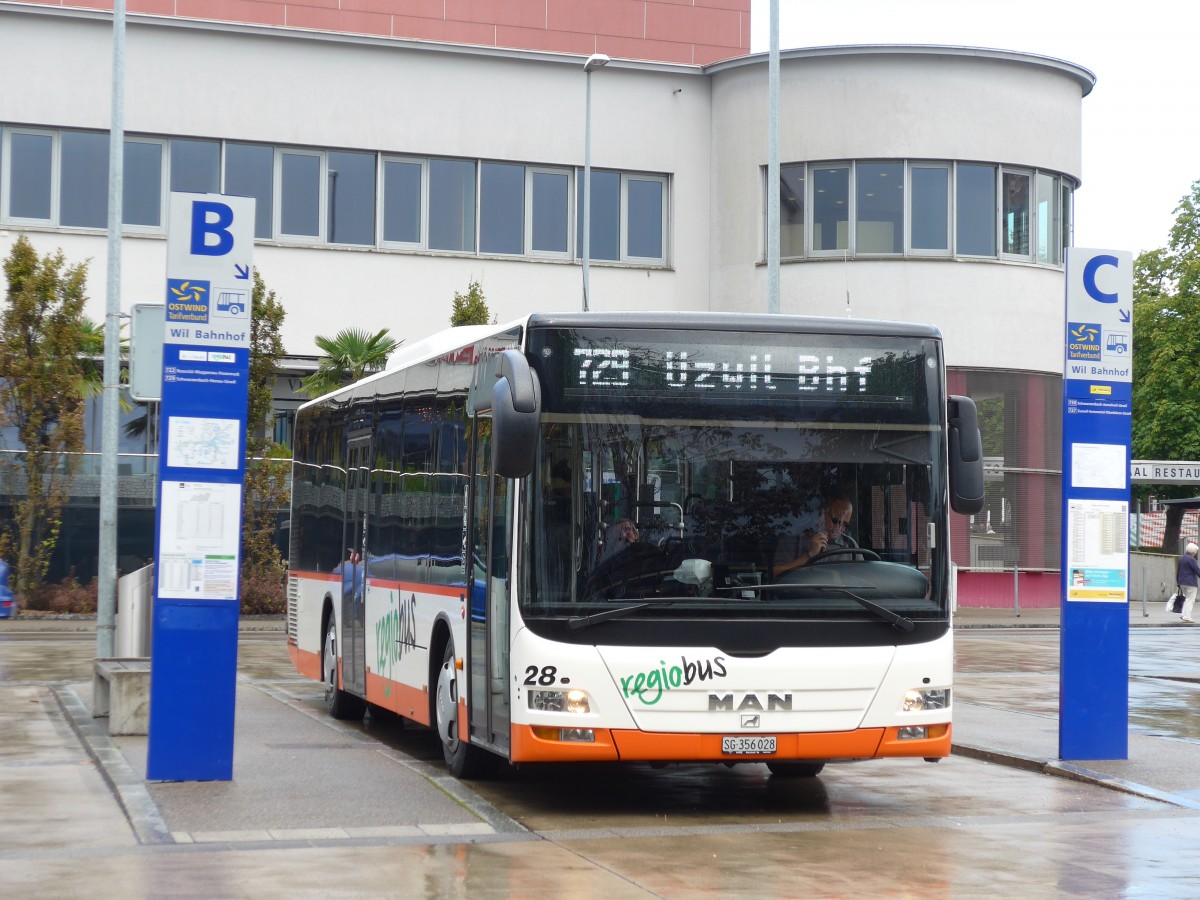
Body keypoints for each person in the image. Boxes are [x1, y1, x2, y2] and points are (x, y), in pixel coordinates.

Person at [776, 493, 856, 575]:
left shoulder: (850, 545)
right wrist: (809, 554)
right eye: (835, 521)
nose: (838, 528)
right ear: (822, 513)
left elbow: (862, 578)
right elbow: (776, 572)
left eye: (844, 524)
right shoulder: (793, 540)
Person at [1177, 542, 1200, 623]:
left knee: (1187, 599)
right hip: (1191, 582)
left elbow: (1178, 571)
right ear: (1193, 552)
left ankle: (1183, 614)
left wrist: (1178, 582)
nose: (1196, 553)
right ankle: (1187, 616)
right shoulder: (1192, 559)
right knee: (1190, 600)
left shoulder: (1181, 558)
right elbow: (1197, 570)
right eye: (1196, 551)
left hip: (1182, 582)